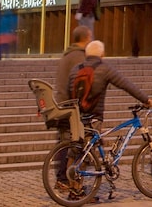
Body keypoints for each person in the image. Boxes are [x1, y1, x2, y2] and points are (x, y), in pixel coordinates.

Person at [69, 40, 152, 121]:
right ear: (102, 54)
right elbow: (125, 84)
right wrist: (145, 99)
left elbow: (68, 92)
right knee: (93, 135)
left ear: (86, 54)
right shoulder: (104, 69)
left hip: (76, 118)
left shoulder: (75, 69)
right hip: (94, 117)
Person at [52, 26, 92, 192]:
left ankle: (62, 179)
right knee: (72, 144)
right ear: (85, 38)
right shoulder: (79, 57)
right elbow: (80, 83)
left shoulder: (67, 55)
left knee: (64, 142)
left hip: (62, 103)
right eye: (89, 37)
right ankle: (66, 180)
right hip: (71, 106)